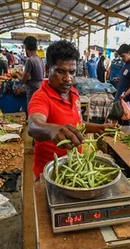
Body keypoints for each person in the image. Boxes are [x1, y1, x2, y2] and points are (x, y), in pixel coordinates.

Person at [27, 40, 113, 178]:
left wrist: (99, 128)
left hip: (74, 168)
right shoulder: (41, 97)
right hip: (50, 173)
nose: (68, 78)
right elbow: (33, 125)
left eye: (72, 72)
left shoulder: (73, 93)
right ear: (48, 69)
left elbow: (76, 125)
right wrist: (52, 130)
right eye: (60, 71)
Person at [22, 36, 45, 105]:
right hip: (40, 86)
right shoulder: (39, 59)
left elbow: (25, 78)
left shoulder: (30, 60)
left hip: (32, 89)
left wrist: (21, 79)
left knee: (31, 107)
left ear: (26, 47)